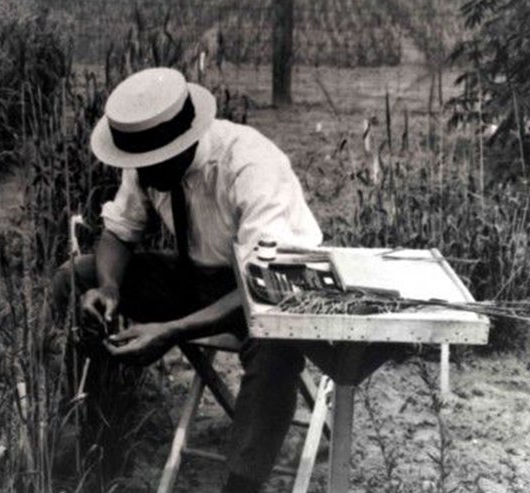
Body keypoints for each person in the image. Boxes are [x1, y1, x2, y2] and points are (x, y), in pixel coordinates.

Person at [49, 67, 394, 492]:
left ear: (184, 142)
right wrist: (109, 287)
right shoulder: (147, 159)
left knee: (275, 342)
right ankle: (94, 428)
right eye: (135, 164)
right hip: (197, 276)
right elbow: (120, 231)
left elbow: (265, 285)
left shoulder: (248, 163)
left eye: (150, 165)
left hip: (274, 286)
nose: (141, 174)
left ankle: (243, 482)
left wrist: (171, 331)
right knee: (75, 279)